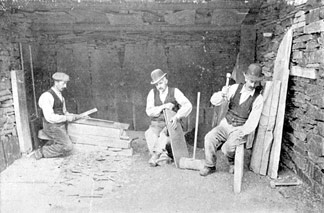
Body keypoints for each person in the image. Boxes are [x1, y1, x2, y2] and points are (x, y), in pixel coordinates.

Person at [200, 63, 264, 176]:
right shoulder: (234, 88)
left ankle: (232, 161)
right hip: (225, 124)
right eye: (251, 81)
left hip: (239, 128)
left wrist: (243, 131)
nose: (253, 84)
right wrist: (222, 94)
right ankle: (210, 165)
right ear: (245, 76)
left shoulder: (258, 98)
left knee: (227, 148)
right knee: (209, 138)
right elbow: (214, 101)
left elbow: (253, 120)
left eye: (255, 82)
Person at [145, 69, 192, 167]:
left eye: (161, 83)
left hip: (171, 124)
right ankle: (163, 156)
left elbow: (188, 105)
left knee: (163, 136)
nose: (159, 86)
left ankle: (156, 155)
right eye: (157, 85)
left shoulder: (175, 91)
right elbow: (149, 111)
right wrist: (164, 106)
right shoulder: (152, 93)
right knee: (149, 134)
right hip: (157, 124)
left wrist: (177, 116)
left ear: (166, 80)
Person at [34, 72, 81, 160]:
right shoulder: (47, 96)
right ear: (56, 82)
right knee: (68, 146)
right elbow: (50, 118)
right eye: (63, 83)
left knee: (72, 144)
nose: (65, 86)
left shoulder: (61, 96)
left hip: (60, 125)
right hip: (51, 126)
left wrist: (72, 115)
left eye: (66, 83)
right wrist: (66, 118)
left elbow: (64, 112)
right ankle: (42, 152)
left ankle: (52, 144)